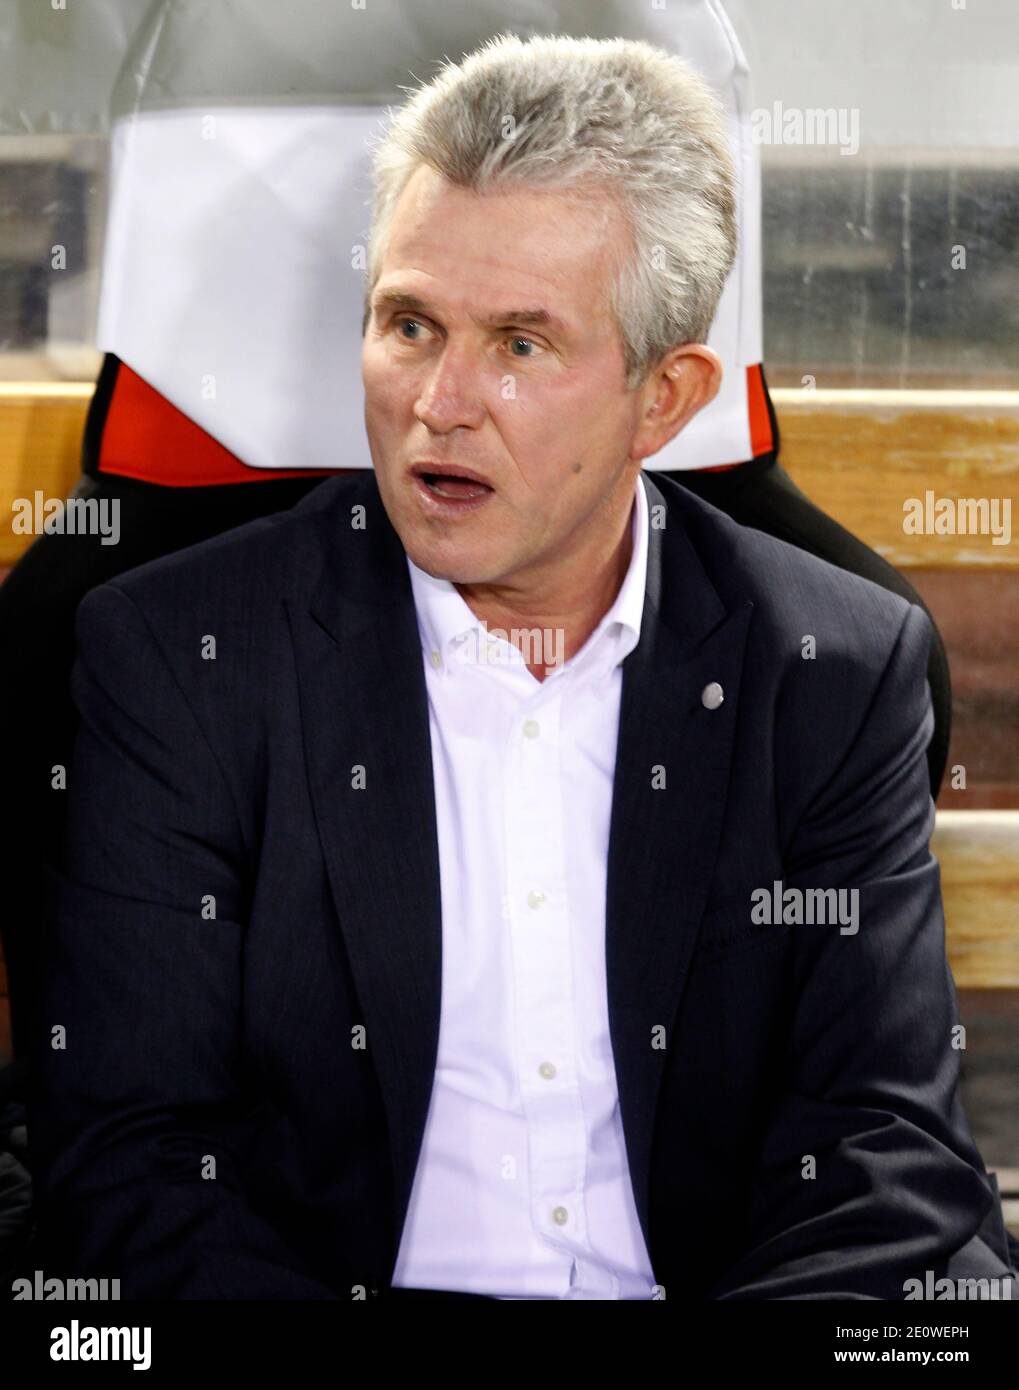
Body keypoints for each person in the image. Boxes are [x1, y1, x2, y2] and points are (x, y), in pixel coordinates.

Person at [28, 33, 1016, 1300]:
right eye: (408, 323)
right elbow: (131, 1162)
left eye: (521, 346)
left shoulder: (829, 666)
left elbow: (885, 1155)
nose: (440, 400)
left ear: (664, 399)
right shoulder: (180, 657)